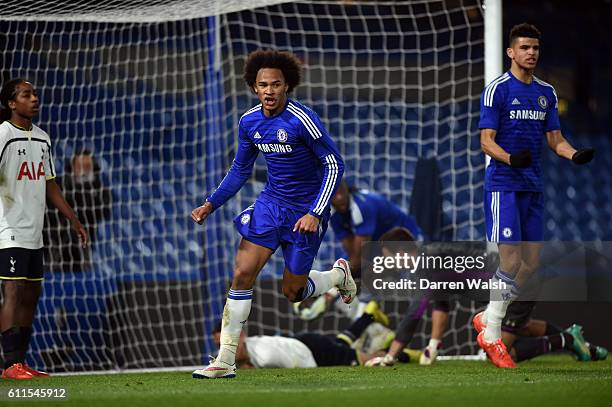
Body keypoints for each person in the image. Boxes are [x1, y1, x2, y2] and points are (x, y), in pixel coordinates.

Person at [190, 50, 353, 379]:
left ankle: (337, 277)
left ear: (287, 86)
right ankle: (224, 360)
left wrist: (316, 212)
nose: (269, 90)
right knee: (242, 272)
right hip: (270, 206)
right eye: (262, 84)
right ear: (253, 87)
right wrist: (211, 203)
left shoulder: (302, 119)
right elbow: (239, 170)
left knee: (293, 292)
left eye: (276, 84)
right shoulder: (249, 122)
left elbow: (334, 163)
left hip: (304, 213)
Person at [474, 23, 594, 368]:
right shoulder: (496, 90)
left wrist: (574, 154)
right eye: (524, 47)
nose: (531, 53)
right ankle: (492, 332)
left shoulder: (547, 93)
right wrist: (511, 158)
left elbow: (555, 140)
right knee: (510, 263)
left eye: (535, 48)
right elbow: (486, 141)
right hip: (503, 185)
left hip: (533, 185)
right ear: (511, 52)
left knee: (530, 265)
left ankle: (487, 317)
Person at [0, 79, 88, 379]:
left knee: (31, 294)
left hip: (35, 231)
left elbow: (50, 184)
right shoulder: (3, 135)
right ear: (12, 103)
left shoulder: (42, 138)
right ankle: (9, 364)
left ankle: (20, 362)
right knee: (12, 290)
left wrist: (73, 219)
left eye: (35, 94)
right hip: (7, 227)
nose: (34, 99)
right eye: (26, 95)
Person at [45, 149, 111, 272]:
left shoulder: (100, 190)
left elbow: (105, 212)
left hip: (83, 241)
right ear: (72, 167)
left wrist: (86, 190)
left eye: (87, 167)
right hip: (56, 240)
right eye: (79, 166)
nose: (83, 171)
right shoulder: (59, 186)